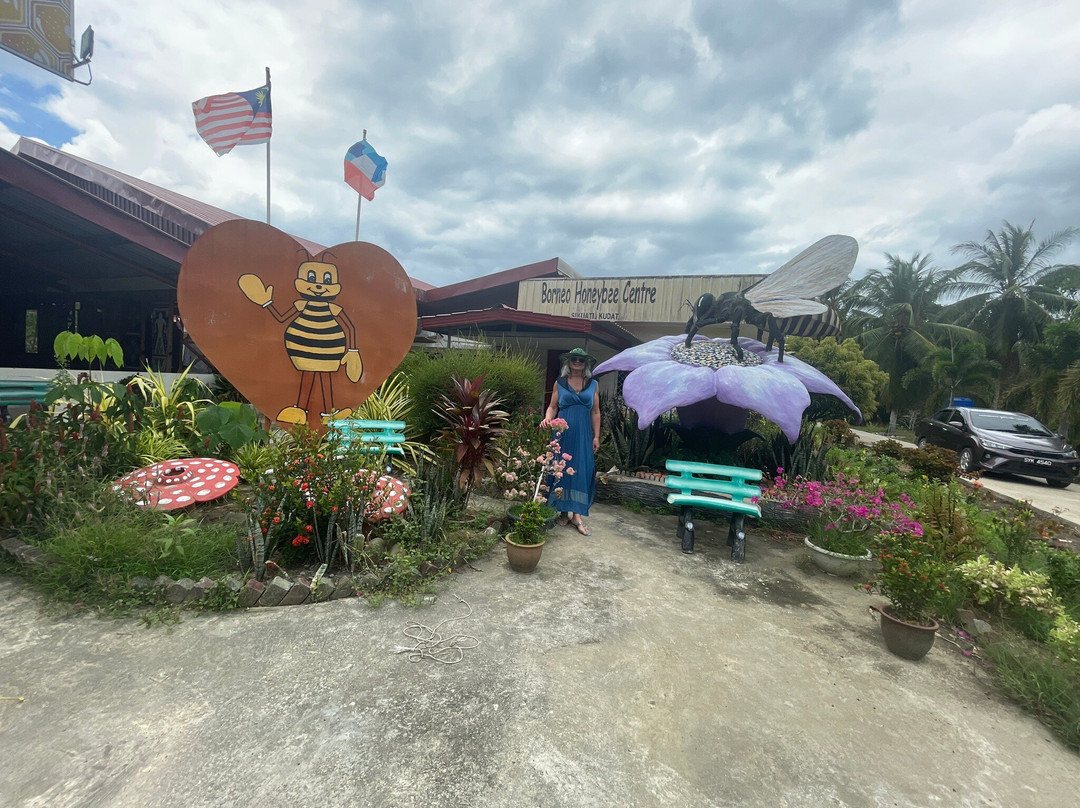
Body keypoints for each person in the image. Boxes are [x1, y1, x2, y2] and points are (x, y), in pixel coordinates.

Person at [540, 347, 600, 535]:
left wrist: (596, 436)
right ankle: (563, 512)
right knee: (561, 469)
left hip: (583, 435)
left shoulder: (593, 385)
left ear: (586, 364)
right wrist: (547, 418)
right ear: (568, 362)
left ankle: (577, 515)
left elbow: (596, 412)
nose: (577, 362)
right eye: (574, 359)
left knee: (581, 471)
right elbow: (552, 407)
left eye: (581, 360)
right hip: (562, 433)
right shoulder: (560, 383)